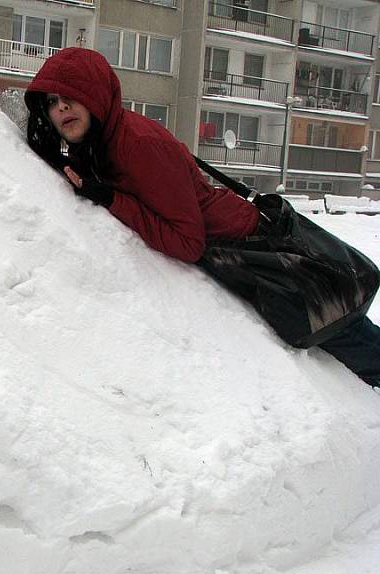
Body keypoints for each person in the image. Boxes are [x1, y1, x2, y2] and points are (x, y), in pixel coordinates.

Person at [24, 47, 380, 388]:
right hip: (241, 243)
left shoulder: (137, 145)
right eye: (51, 101)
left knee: (341, 327)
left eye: (71, 94)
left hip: (254, 246)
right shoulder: (105, 141)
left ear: (97, 95)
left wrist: (112, 199)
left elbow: (188, 243)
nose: (62, 107)